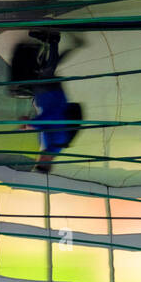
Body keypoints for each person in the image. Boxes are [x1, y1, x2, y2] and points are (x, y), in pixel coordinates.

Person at [13, 30, 82, 174]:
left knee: (44, 70)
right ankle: (54, 40)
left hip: (45, 98)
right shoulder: (58, 142)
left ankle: (50, 42)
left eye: (39, 159)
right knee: (46, 71)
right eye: (41, 160)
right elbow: (54, 117)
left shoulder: (48, 146)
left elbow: (44, 126)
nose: (40, 157)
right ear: (48, 162)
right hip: (52, 96)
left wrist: (29, 126)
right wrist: (31, 123)